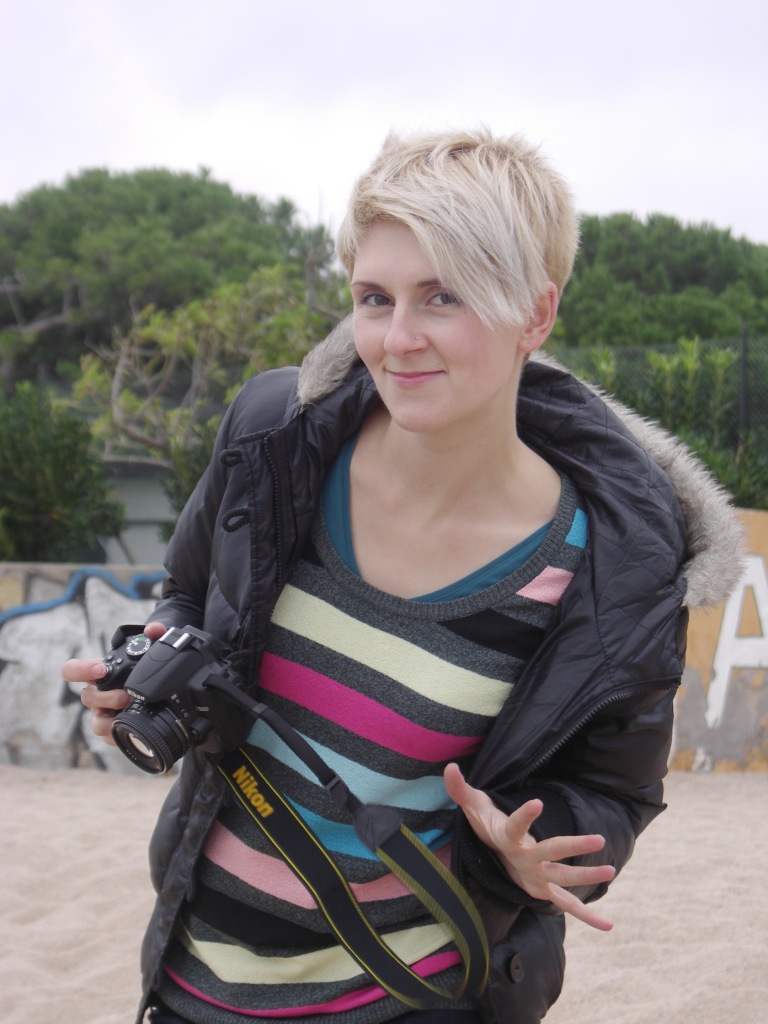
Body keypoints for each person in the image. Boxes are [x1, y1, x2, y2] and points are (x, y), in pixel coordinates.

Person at [64, 129, 744, 1024]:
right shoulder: (274, 439)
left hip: (415, 996)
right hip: (193, 982)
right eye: (373, 298)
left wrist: (535, 845)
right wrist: (149, 664)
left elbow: (614, 791)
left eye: (443, 297)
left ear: (535, 315)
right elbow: (188, 594)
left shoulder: (613, 570)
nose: (397, 339)